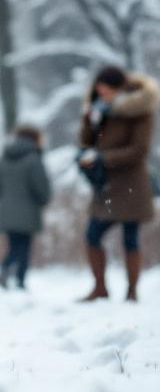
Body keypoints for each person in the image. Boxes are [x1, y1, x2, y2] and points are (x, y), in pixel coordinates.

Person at [76, 65, 156, 303]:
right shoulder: (99, 110)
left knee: (130, 237)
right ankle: (100, 287)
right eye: (98, 91)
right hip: (106, 184)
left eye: (106, 90)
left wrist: (104, 158)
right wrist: (89, 121)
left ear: (119, 88)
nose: (102, 95)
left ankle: (132, 291)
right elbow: (86, 142)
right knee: (92, 235)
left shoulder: (140, 110)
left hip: (131, 182)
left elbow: (139, 150)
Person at [0, 125, 52, 290]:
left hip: (6, 209)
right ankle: (19, 280)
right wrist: (44, 200)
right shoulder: (34, 159)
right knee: (24, 247)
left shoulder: (4, 157)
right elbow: (41, 187)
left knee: (14, 245)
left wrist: (4, 201)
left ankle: (6, 271)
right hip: (28, 211)